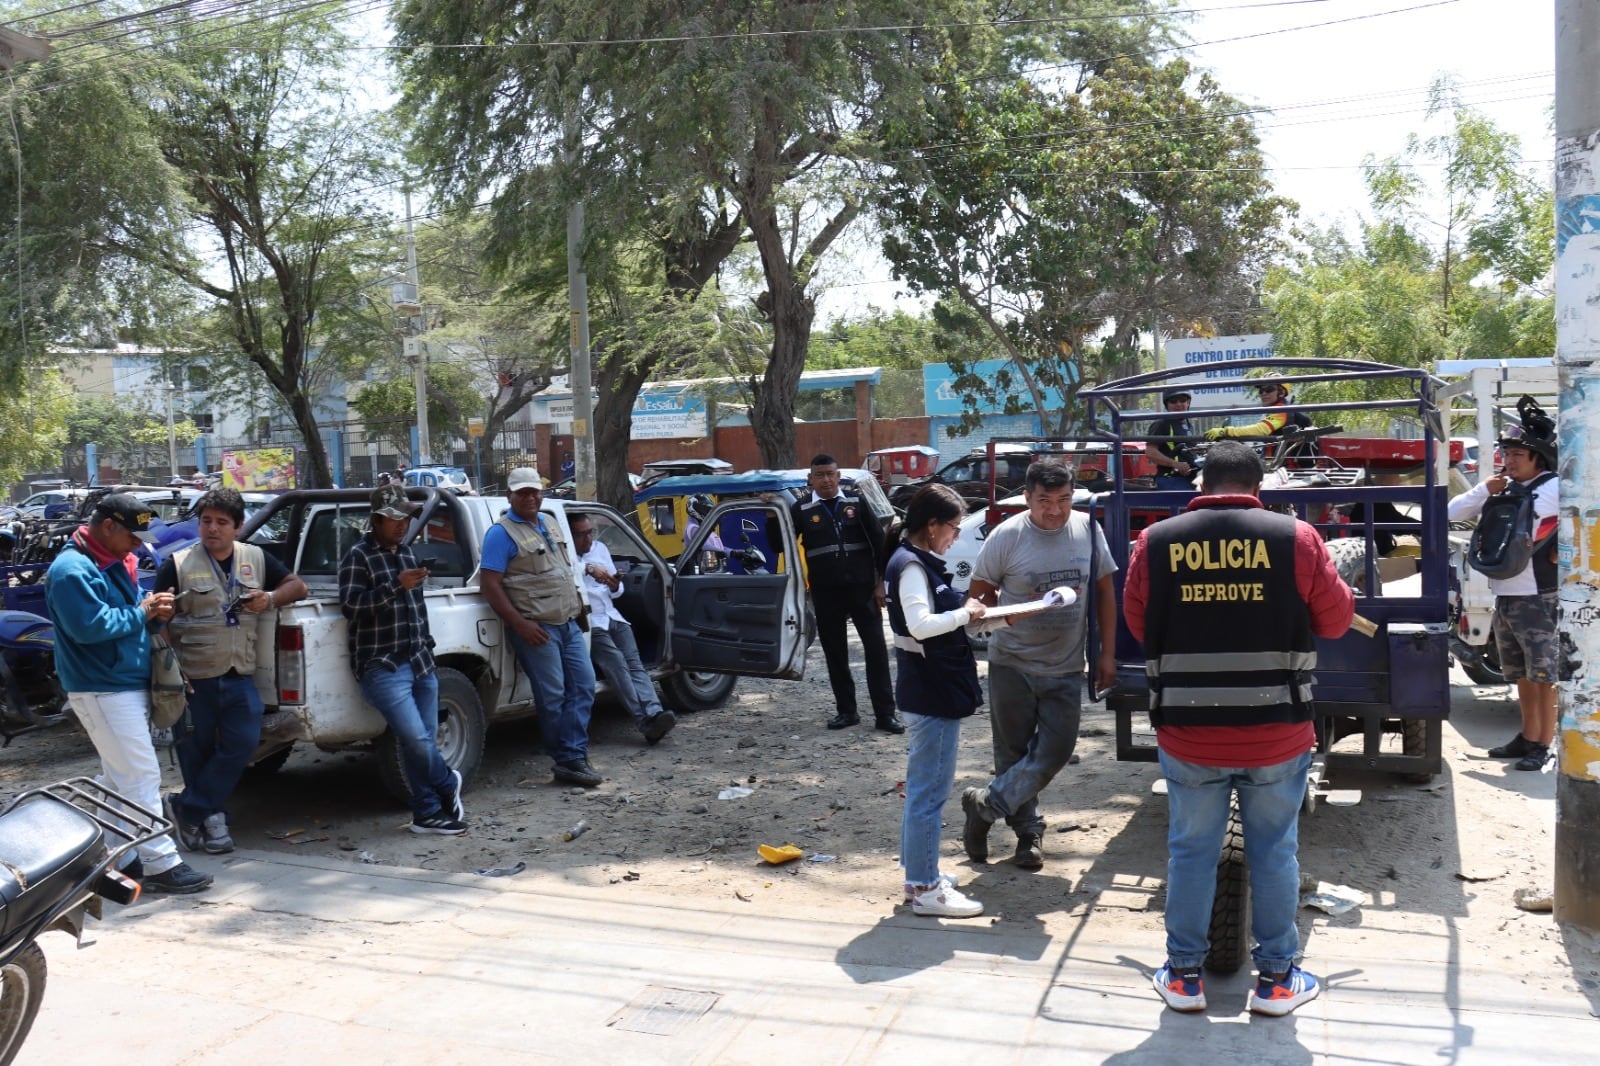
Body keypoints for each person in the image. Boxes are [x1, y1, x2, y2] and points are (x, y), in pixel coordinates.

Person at [1123, 441, 1354, 1016]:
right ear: (1259, 486)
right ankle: (1277, 981)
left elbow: (1136, 620)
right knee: (1275, 853)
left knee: (1190, 853)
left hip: (1187, 730)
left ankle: (1183, 978)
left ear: (1202, 480)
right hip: (1277, 732)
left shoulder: (1155, 542)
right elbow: (1337, 619)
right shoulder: (1296, 538)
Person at [45, 493, 213, 893]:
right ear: (108, 527)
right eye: (133, 537)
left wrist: (154, 613)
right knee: (139, 776)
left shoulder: (111, 560)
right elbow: (90, 627)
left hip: (118, 684)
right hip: (102, 688)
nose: (140, 545)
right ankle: (161, 864)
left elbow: (130, 613)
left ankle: (122, 859)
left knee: (122, 779)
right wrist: (144, 611)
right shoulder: (71, 571)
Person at [960, 460, 1118, 870]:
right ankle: (1028, 833)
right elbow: (979, 597)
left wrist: (1106, 653)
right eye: (1044, 501)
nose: (1055, 510)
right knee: (1012, 752)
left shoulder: (1087, 529)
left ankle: (983, 805)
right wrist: (997, 615)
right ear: (1027, 498)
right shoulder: (1007, 536)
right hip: (1012, 662)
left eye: (1064, 500)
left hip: (1066, 664)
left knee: (1056, 750)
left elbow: (1104, 591)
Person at [157, 487, 307, 854]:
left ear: (237, 527)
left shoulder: (255, 559)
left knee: (243, 743)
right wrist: (171, 672)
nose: (212, 529)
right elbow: (160, 622)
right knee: (196, 753)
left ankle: (185, 809)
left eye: (222, 522)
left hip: (238, 675)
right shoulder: (176, 564)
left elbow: (297, 586)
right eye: (206, 521)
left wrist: (269, 598)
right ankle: (213, 822)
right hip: (192, 679)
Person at [340, 484, 468, 834]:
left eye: (406, 517)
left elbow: (417, 610)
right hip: (383, 665)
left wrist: (426, 645)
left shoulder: (409, 553)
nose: (402, 524)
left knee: (423, 738)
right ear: (377, 519)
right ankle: (446, 782)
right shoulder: (358, 556)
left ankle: (426, 813)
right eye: (394, 518)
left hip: (420, 661)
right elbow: (351, 607)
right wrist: (397, 585)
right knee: (416, 739)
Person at [886, 484, 989, 918]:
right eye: (953, 527)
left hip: (928, 689)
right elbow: (921, 625)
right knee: (929, 794)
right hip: (932, 693)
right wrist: (968, 613)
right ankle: (928, 889)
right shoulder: (911, 565)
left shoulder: (912, 561)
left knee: (922, 792)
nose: (955, 535)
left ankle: (920, 875)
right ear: (931, 525)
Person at [1447, 409, 1560, 771]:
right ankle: (1528, 736)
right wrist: (1484, 490)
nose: (1508, 461)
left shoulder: (1555, 487)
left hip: (1540, 595)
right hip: (1508, 595)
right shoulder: (1505, 488)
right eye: (1506, 455)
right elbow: (1451, 512)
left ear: (1537, 458)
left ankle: (1544, 744)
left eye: (1517, 455)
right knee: (1521, 676)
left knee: (1545, 678)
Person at [480, 469, 601, 787]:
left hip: (568, 622)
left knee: (584, 686)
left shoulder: (549, 521)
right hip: (537, 629)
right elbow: (490, 586)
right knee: (553, 696)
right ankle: (567, 760)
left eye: (534, 491)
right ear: (510, 496)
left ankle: (574, 755)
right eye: (522, 493)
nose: (530, 497)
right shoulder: (500, 534)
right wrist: (520, 625)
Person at [782, 454, 901, 733]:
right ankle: (847, 712)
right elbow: (779, 544)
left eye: (830, 474)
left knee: (876, 652)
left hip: (862, 591)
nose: (825, 480)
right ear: (810, 479)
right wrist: (769, 512)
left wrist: (881, 582)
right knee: (835, 654)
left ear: (838, 477)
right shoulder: (800, 509)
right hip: (826, 594)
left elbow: (880, 544)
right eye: (819, 475)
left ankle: (885, 715)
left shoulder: (856, 503)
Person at [571, 513, 678, 746]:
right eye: (581, 534)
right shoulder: (566, 553)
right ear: (570, 535)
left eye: (590, 532)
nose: (588, 539)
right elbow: (567, 571)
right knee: (617, 664)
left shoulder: (599, 548)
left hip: (611, 615)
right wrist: (589, 569)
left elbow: (615, 591)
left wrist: (614, 583)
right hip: (589, 622)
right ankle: (645, 722)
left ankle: (654, 712)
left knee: (634, 663)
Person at [1203, 379, 1312, 442]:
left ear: (1282, 393)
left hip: (1287, 467)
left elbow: (1261, 429)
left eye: (1269, 389)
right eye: (1261, 390)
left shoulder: (1282, 409)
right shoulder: (1280, 408)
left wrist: (1225, 431)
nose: (1264, 393)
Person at [1146, 389, 1198, 488]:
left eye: (1182, 400)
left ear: (1188, 402)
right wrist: (1176, 464)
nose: (1178, 404)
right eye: (1173, 401)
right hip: (1171, 478)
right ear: (1167, 405)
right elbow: (1150, 452)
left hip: (1190, 478)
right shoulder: (1162, 423)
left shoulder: (1188, 424)